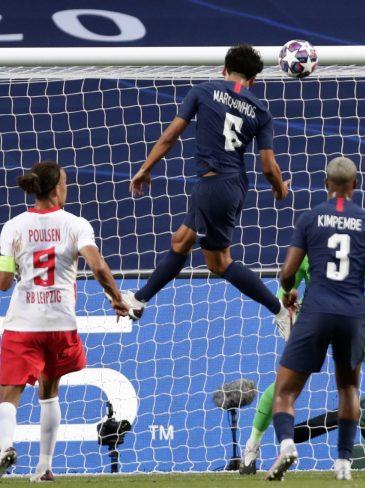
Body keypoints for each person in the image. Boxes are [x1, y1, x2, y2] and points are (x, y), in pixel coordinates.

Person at [122, 44, 292, 336]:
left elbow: (170, 135)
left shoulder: (203, 91)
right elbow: (268, 164)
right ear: (253, 80)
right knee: (181, 241)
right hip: (232, 185)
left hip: (213, 186)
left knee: (220, 263)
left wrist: (145, 168)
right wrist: (279, 190)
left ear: (224, 70)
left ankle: (281, 311)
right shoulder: (261, 111)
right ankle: (139, 299)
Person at [240, 255, 365, 475]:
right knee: (283, 386)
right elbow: (285, 290)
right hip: (314, 322)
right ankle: (252, 446)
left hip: (354, 323)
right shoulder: (310, 250)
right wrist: (286, 315)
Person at [265, 157, 365, 482]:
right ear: (356, 184)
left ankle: (286, 445)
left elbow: (288, 272)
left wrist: (289, 292)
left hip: (316, 312)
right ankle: (344, 464)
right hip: (352, 314)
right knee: (349, 388)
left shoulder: (310, 219)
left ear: (326, 183)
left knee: (285, 392)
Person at [0, 161, 129, 481]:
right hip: (61, 324)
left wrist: (16, 267)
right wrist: (115, 296)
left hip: (24, 324)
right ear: (57, 188)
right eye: (66, 183)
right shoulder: (76, 224)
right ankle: (44, 467)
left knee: (8, 393)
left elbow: (3, 282)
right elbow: (97, 266)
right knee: (50, 391)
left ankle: (3, 447)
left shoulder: (13, 226)